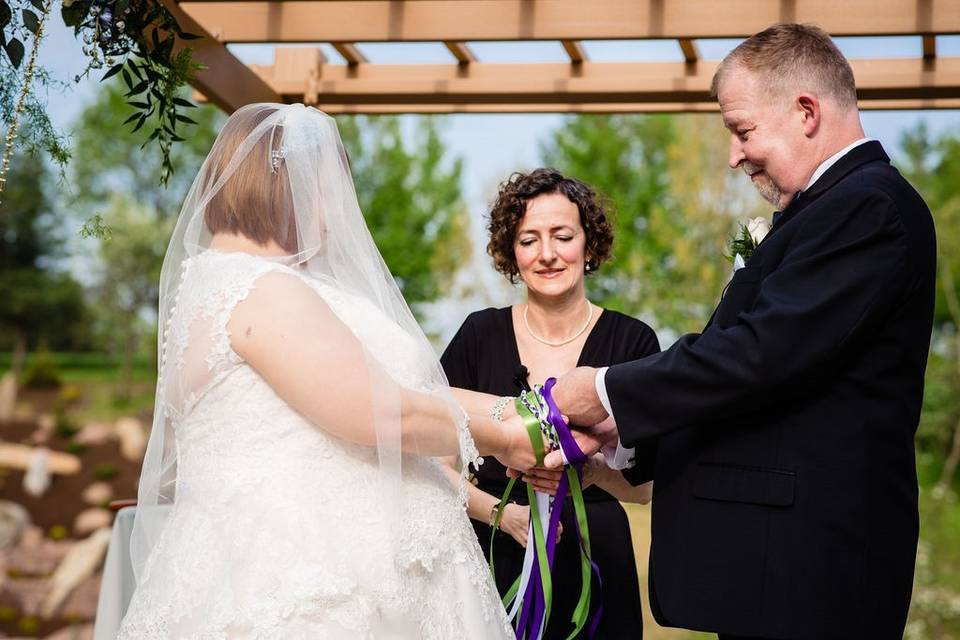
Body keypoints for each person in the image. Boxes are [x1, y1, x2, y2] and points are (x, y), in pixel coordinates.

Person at [548, 24, 937, 640]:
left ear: (806, 111)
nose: (734, 154)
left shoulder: (868, 207)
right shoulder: (828, 210)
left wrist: (603, 390)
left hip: (809, 579)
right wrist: (622, 435)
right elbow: (763, 383)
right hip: (778, 578)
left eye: (742, 130)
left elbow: (760, 354)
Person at [116, 103, 537, 638]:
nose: (336, 207)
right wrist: (503, 436)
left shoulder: (225, 284)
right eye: (327, 186)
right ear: (281, 185)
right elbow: (381, 413)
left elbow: (402, 391)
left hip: (307, 561)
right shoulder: (263, 292)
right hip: (312, 578)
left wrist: (523, 412)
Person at [441, 168, 658, 639]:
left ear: (588, 242)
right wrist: (503, 517)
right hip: (493, 551)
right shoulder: (478, 336)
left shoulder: (634, 341)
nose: (547, 255)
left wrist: (594, 472)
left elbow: (648, 486)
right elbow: (433, 464)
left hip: (596, 555)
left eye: (562, 236)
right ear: (509, 251)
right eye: (528, 240)